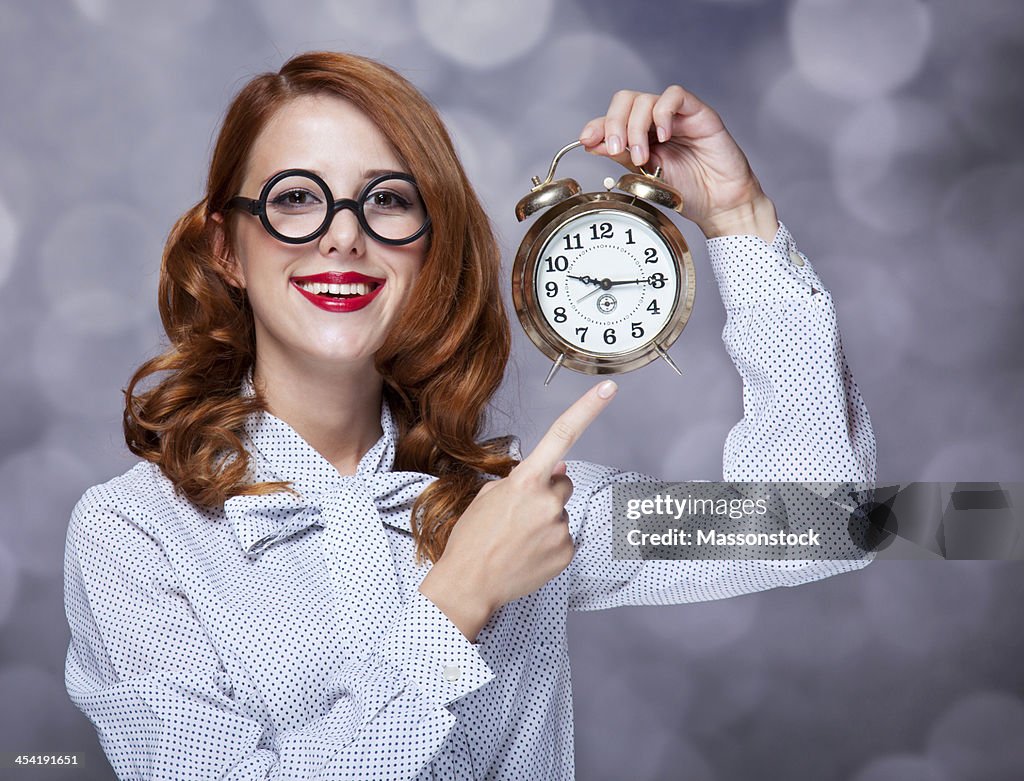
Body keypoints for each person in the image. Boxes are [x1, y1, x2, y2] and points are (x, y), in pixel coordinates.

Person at [62, 51, 875, 780]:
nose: (343, 238)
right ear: (227, 250)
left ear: (432, 246)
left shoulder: (527, 505)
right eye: (297, 198)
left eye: (386, 201)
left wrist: (738, 219)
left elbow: (822, 522)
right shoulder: (132, 535)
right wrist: (456, 604)